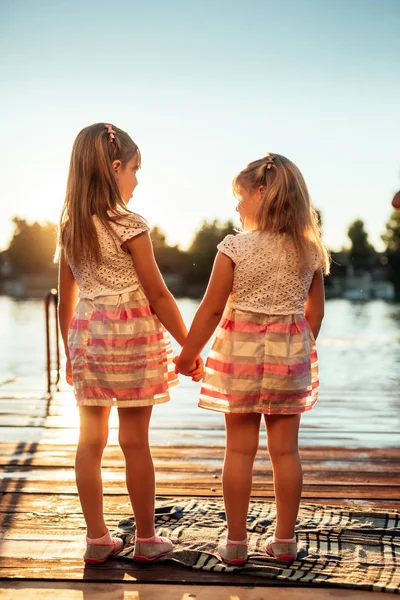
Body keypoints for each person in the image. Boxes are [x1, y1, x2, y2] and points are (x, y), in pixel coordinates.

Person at [57, 123, 202, 564]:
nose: (137, 180)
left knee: (89, 441)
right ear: (115, 167)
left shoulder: (69, 227)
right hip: (132, 339)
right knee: (135, 440)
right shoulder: (130, 223)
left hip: (89, 340)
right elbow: (158, 295)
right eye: (136, 170)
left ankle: (97, 539)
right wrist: (189, 348)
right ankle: (146, 539)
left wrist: (70, 351)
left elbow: (67, 298)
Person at [174, 153, 329, 565]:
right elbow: (316, 314)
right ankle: (284, 542)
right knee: (286, 453)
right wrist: (297, 347)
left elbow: (209, 310)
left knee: (239, 451)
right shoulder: (309, 251)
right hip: (288, 360)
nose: (237, 207)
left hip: (239, 358)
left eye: (239, 197)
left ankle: (237, 543)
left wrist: (187, 355)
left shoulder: (235, 248)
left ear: (261, 193)